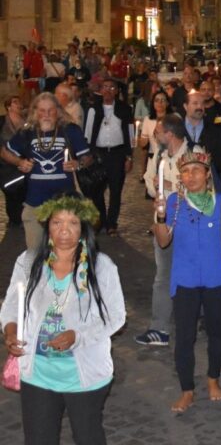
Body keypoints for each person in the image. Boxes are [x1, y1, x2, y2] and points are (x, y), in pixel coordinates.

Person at [0, 193, 126, 444]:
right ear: (48, 225)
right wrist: (11, 330)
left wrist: (77, 336)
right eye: (57, 222)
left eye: (73, 223)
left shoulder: (101, 266)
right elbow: (12, 303)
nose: (64, 230)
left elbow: (115, 316)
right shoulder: (28, 261)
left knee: (87, 436)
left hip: (84, 375)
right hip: (37, 374)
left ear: (83, 228)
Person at [151, 149, 221, 412]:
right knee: (184, 337)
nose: (191, 175)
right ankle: (187, 390)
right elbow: (163, 241)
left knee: (216, 332)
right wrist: (160, 216)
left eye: (196, 170)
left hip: (216, 278)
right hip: (184, 279)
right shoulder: (173, 203)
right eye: (185, 171)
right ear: (180, 177)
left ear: (207, 174)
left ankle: (213, 379)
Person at [1, 92, 91, 250]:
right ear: (35, 111)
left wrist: (78, 163)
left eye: (51, 110)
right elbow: (5, 152)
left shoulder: (70, 130)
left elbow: (87, 157)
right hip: (35, 203)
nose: (46, 115)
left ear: (58, 110)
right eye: (42, 110)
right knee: (35, 253)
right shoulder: (27, 132)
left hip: (65, 204)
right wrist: (20, 161)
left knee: (64, 253)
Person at [134, 114, 191, 347]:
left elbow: (199, 189)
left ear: (170, 134)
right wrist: (156, 186)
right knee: (163, 276)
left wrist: (172, 187)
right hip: (163, 222)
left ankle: (191, 318)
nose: (155, 135)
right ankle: (160, 328)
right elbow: (149, 178)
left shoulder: (192, 155)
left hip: (187, 225)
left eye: (158, 132)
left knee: (187, 275)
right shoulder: (159, 155)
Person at [83, 78, 133, 236]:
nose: (108, 90)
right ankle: (101, 220)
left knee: (116, 190)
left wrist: (129, 157)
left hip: (117, 154)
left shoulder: (125, 109)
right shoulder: (93, 109)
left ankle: (112, 223)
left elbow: (130, 133)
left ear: (117, 91)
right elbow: (88, 133)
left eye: (112, 87)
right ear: (100, 89)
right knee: (97, 190)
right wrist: (88, 154)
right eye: (105, 87)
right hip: (99, 154)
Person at [0, 95, 27, 226]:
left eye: (19, 101)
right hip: (6, 165)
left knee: (24, 190)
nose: (19, 104)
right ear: (8, 106)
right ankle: (14, 219)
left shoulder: (27, 121)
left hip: (24, 162)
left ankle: (21, 217)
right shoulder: (2, 122)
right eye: (15, 102)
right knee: (11, 191)